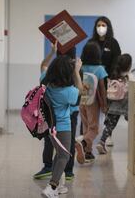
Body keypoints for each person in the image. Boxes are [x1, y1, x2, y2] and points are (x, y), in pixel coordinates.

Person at [40, 43, 83, 198]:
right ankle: (51, 188)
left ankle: (56, 184)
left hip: (51, 126)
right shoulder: (67, 92)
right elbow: (80, 91)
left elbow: (43, 65)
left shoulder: (47, 85)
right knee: (64, 156)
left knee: (59, 155)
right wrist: (77, 72)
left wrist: (52, 52)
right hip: (63, 127)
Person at [90, 16, 121, 146]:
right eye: (98, 25)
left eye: (103, 25)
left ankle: (107, 136)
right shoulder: (91, 42)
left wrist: (112, 77)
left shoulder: (113, 43)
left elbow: (117, 61)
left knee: (108, 109)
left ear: (108, 27)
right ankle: (88, 134)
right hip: (93, 80)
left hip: (108, 80)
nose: (101, 28)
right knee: (91, 108)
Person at [76, 41, 108, 163]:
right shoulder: (100, 69)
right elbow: (102, 88)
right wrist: (104, 104)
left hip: (81, 100)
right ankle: (83, 142)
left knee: (86, 126)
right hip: (93, 102)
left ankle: (88, 153)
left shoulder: (81, 67)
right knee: (94, 128)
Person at [96, 54, 135, 154]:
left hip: (114, 106)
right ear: (129, 65)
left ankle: (101, 142)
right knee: (134, 124)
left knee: (109, 126)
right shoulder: (130, 77)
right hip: (127, 107)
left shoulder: (114, 76)